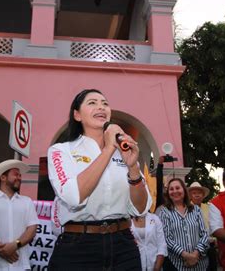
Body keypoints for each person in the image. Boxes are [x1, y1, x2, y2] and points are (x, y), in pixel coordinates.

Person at [47, 88, 152, 270]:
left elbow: (141, 208)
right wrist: (108, 149)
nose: (101, 107)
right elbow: (74, 197)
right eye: (92, 103)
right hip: (79, 247)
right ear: (77, 115)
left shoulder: (123, 150)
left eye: (105, 103)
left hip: (124, 245)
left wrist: (133, 167)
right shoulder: (61, 151)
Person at [159, 178, 209, 270]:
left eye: (178, 188)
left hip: (200, 263)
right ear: (168, 193)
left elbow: (204, 234)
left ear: (184, 190)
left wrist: (196, 254)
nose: (175, 191)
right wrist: (186, 255)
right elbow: (167, 239)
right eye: (171, 189)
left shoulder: (196, 210)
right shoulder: (165, 212)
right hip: (176, 264)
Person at [188, 182, 217, 271]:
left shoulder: (209, 207)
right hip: (194, 247)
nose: (197, 195)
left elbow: (214, 224)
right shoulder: (187, 208)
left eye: (199, 193)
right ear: (189, 195)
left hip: (210, 245)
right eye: (194, 193)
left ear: (203, 195)